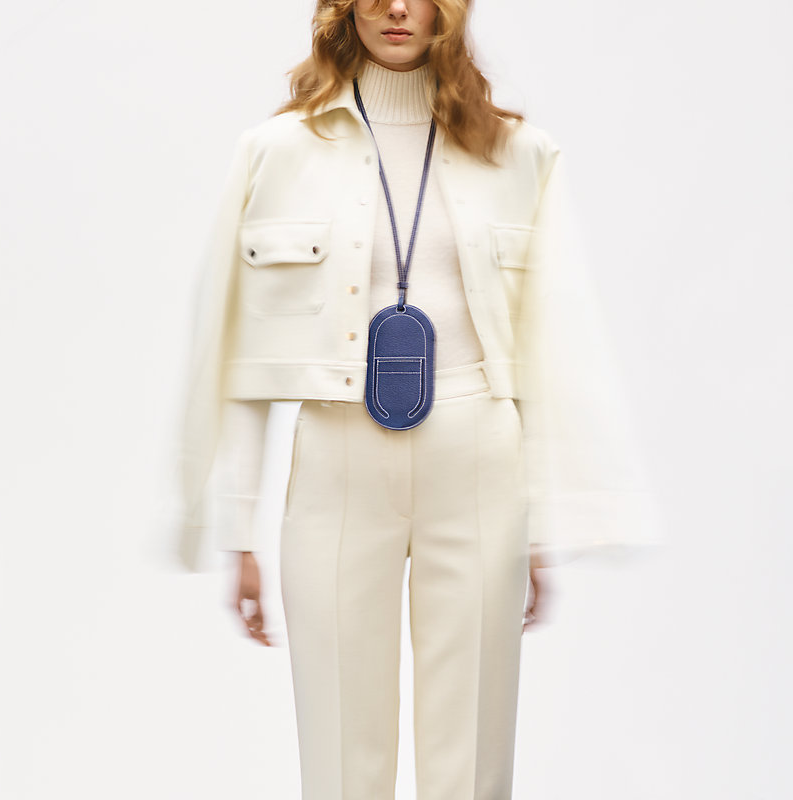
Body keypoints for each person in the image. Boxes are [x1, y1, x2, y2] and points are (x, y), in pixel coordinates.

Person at [169, 1, 663, 797]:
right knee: (338, 748)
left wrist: (546, 519)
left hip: (479, 460)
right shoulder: (276, 151)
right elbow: (237, 355)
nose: (397, 8)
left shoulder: (519, 153)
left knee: (472, 753)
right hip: (336, 459)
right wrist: (235, 528)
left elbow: (553, 349)